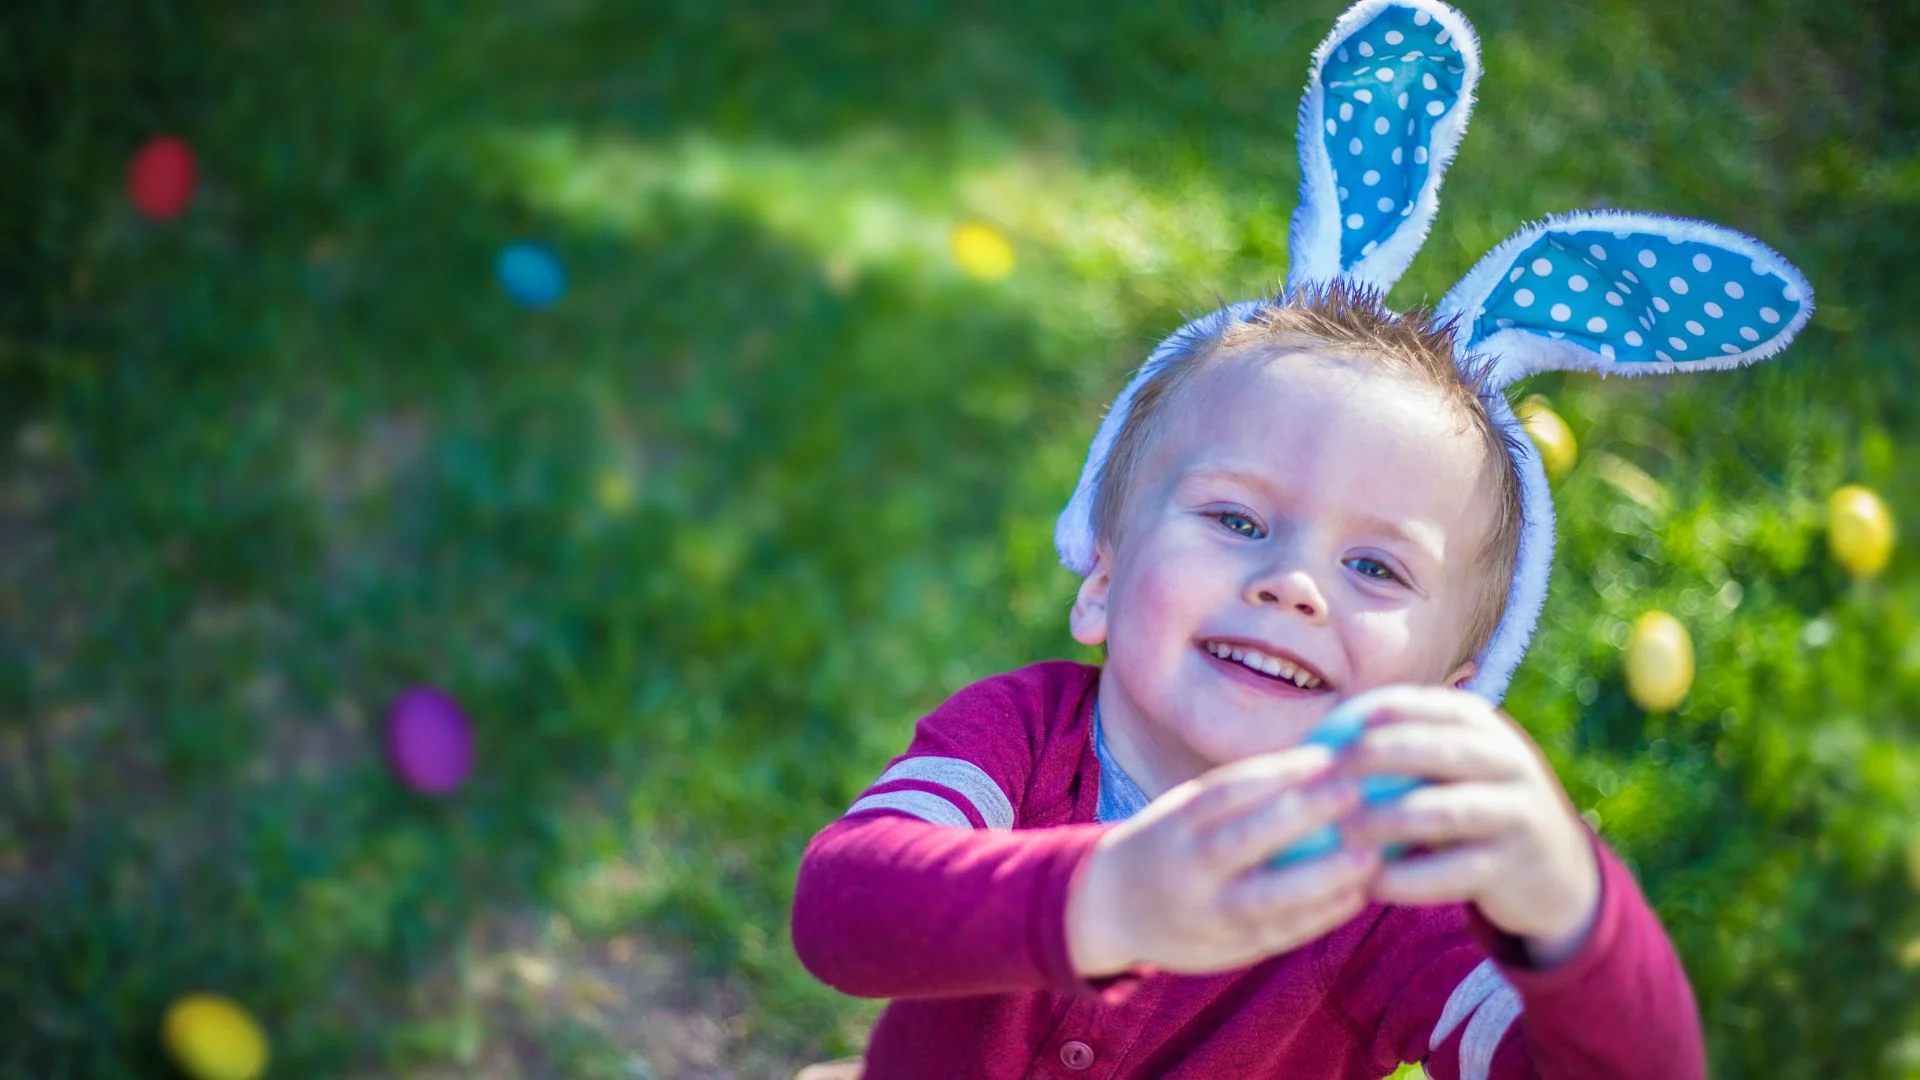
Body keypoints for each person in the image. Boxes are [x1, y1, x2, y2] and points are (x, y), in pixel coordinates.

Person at [791, 1, 1811, 1076]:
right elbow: (844, 909)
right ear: (1101, 573)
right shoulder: (1023, 739)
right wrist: (1108, 896)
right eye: (1236, 520)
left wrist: (1567, 904)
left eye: (1374, 566)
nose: (1291, 585)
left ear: (1449, 702)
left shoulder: (1390, 903)